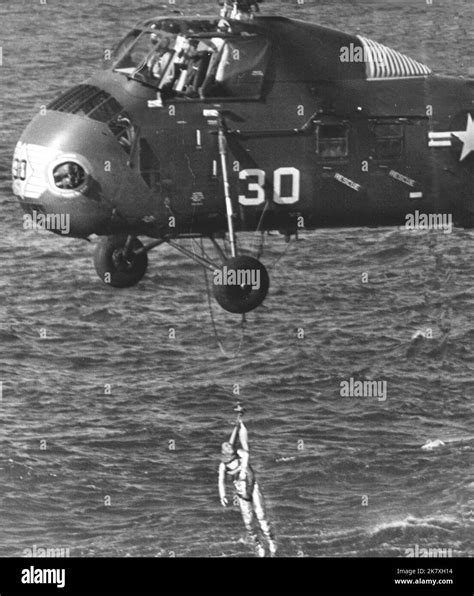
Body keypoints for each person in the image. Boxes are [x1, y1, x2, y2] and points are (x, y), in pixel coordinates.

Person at [218, 408, 277, 557]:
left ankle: (271, 541)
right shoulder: (223, 465)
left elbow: (241, 441)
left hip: (253, 488)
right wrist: (222, 495)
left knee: (261, 515)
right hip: (242, 495)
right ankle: (258, 545)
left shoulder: (240, 454)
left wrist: (240, 424)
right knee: (249, 523)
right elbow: (221, 481)